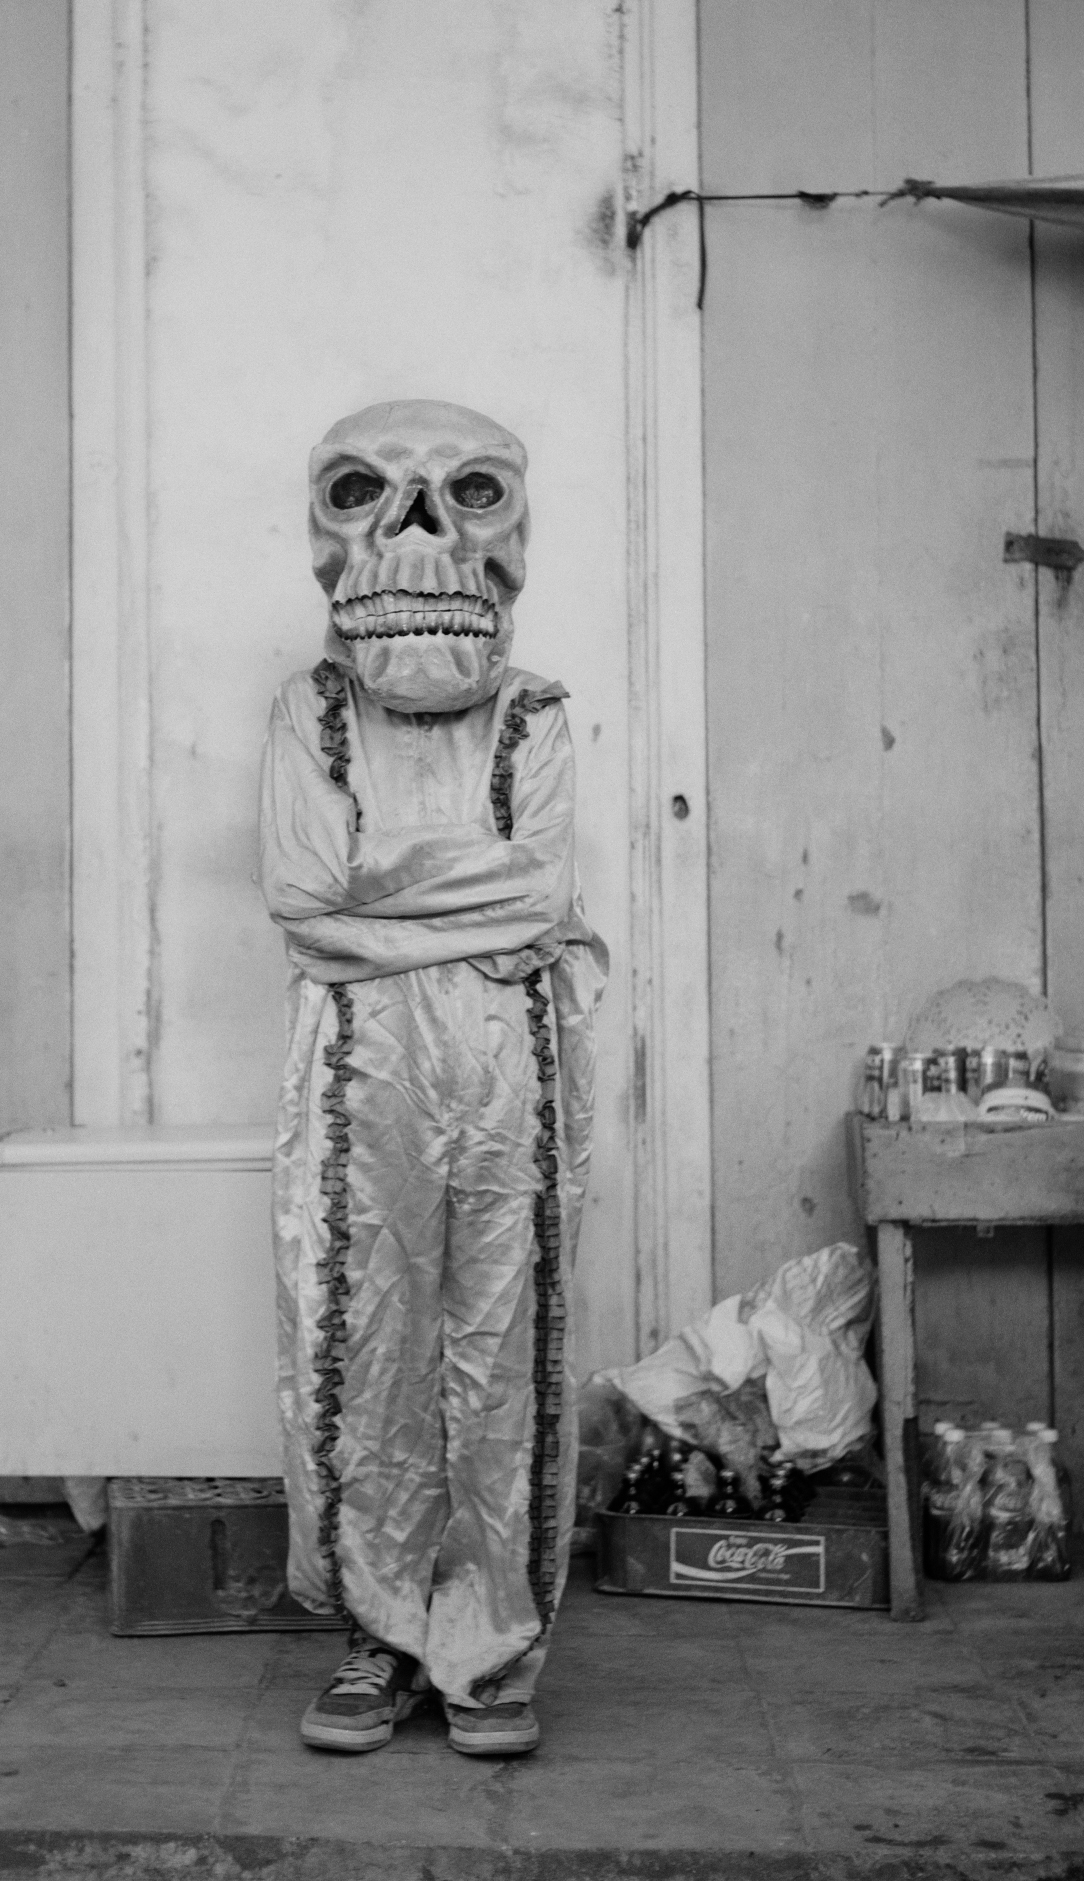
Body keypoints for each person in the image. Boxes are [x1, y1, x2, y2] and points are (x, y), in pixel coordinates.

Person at [258, 401, 606, 1758]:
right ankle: (377, 1640)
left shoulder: (540, 717)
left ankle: (490, 1651)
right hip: (361, 1066)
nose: (414, 537)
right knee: (364, 1346)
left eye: (463, 497)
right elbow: (301, 894)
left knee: (501, 1349)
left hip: (511, 1068)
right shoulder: (306, 713)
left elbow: (544, 890)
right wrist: (471, 900)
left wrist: (381, 897)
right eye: (366, 497)